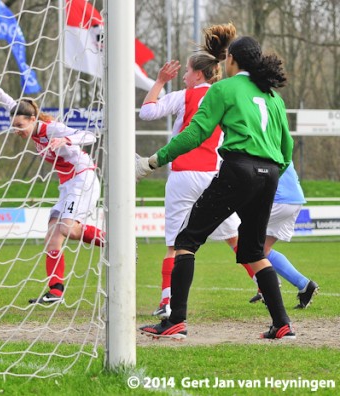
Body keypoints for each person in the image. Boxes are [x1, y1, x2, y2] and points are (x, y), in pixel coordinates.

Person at [137, 35, 295, 340]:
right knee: (252, 250)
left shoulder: (224, 88)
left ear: (232, 60)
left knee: (186, 239)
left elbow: (195, 133)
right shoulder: (274, 97)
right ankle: (282, 324)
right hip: (271, 173)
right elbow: (286, 148)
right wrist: (270, 174)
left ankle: (176, 321)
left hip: (239, 169)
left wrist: (154, 161)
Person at [0, 68, 105, 305]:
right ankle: (56, 291)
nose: (16, 130)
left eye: (19, 125)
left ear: (32, 120)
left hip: (83, 178)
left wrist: (65, 139)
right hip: (68, 184)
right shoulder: (29, 124)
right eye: (14, 125)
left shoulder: (52, 129)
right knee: (52, 235)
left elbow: (90, 136)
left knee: (67, 229)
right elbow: (9, 104)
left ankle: (115, 242)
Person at [139, 24, 239, 319]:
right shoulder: (226, 96)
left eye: (187, 72)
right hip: (213, 174)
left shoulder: (184, 96)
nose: (184, 76)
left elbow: (147, 112)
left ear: (197, 74)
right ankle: (262, 284)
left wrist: (159, 81)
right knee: (236, 238)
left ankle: (167, 302)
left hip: (182, 174)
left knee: (175, 244)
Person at [244, 163, 319, 308]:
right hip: (295, 199)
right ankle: (304, 285)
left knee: (247, 246)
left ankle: (269, 288)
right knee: (262, 250)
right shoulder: (277, 141)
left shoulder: (258, 144)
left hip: (278, 200)